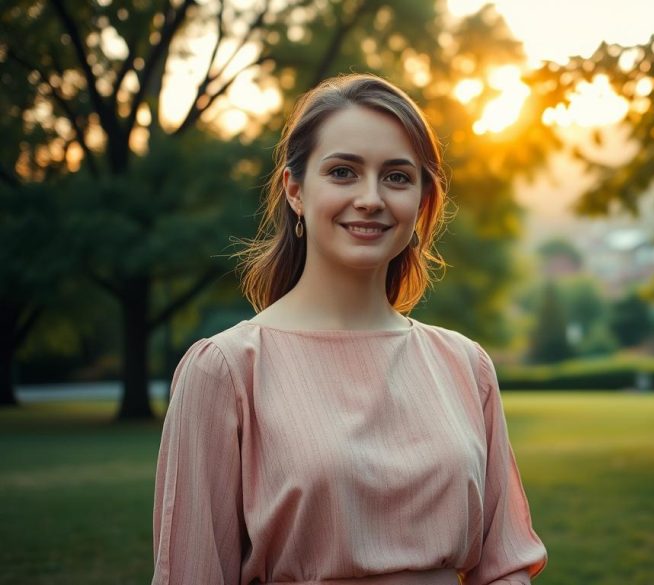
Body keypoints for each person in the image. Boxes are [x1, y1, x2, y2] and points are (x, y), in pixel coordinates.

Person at [151, 74, 547, 585]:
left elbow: (505, 564)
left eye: (397, 177)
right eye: (342, 172)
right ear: (295, 190)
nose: (370, 198)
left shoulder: (465, 364)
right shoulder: (226, 370)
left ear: (423, 201)